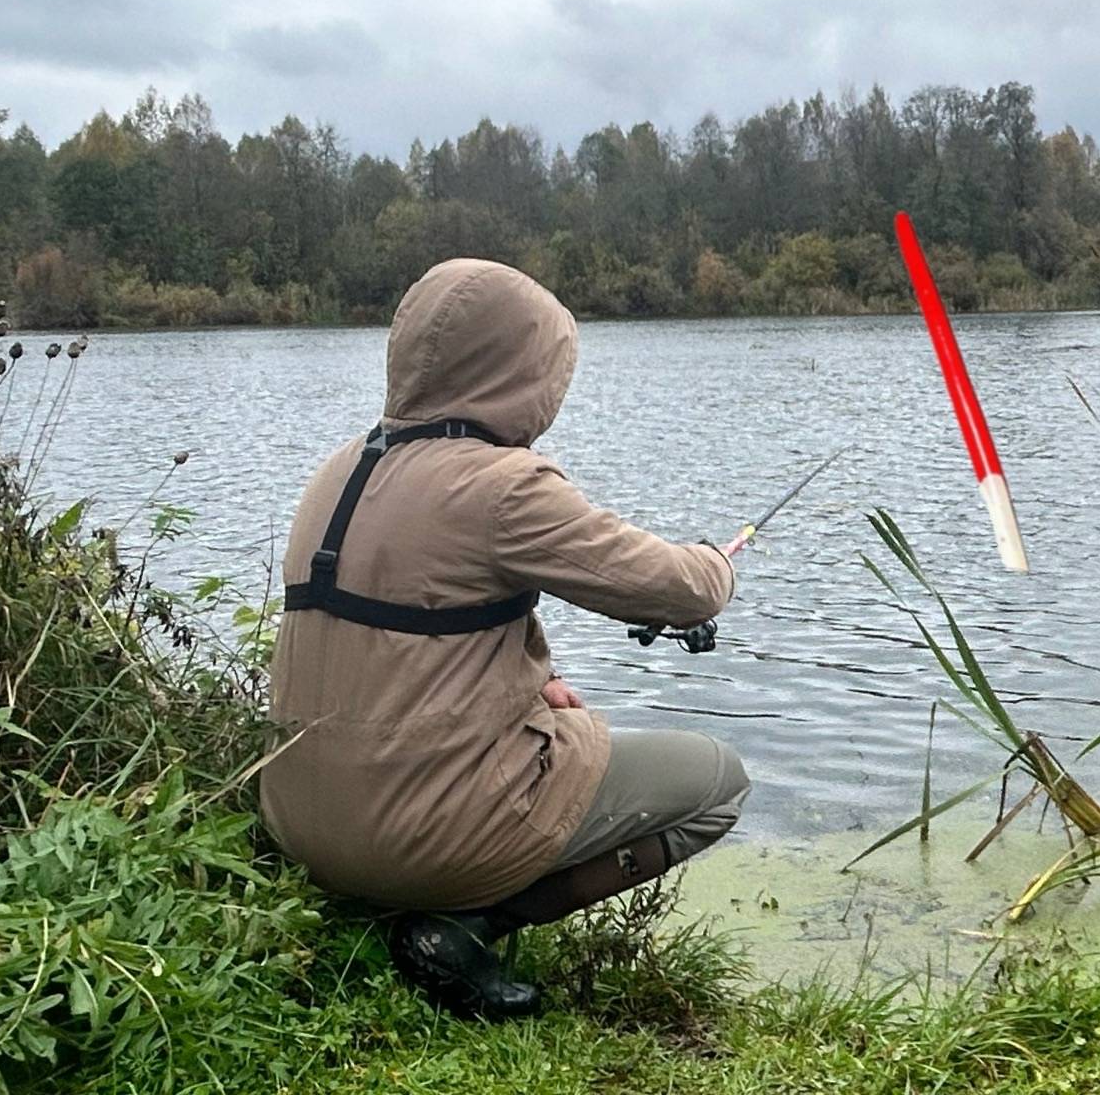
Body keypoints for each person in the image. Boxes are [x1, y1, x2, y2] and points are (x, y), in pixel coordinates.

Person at [261, 258, 745, 1020]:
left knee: (567, 714)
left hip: (299, 826)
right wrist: (717, 561)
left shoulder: (339, 469)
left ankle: (413, 897)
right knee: (716, 783)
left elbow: (422, 624)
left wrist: (536, 681)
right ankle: (459, 926)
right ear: (518, 372)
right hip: (412, 837)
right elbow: (680, 589)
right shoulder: (501, 486)